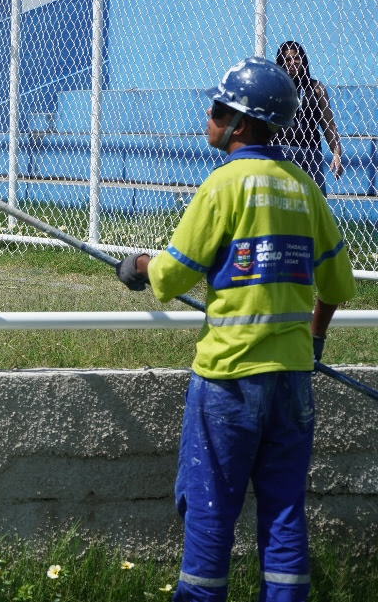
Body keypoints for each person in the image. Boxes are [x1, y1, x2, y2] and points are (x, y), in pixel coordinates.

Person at [115, 57, 356, 602]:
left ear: (240, 124)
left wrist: (138, 266)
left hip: (228, 380)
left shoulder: (222, 186)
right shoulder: (304, 188)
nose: (209, 114)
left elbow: (174, 275)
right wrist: (312, 344)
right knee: (284, 512)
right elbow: (337, 286)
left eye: (218, 108)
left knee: (209, 508)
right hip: (293, 381)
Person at [273, 41, 343, 194]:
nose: (292, 63)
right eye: (287, 60)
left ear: (303, 60)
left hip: (310, 151)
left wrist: (336, 152)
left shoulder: (316, 88)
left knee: (314, 199)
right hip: (281, 151)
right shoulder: (275, 88)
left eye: (296, 58)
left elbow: (328, 124)